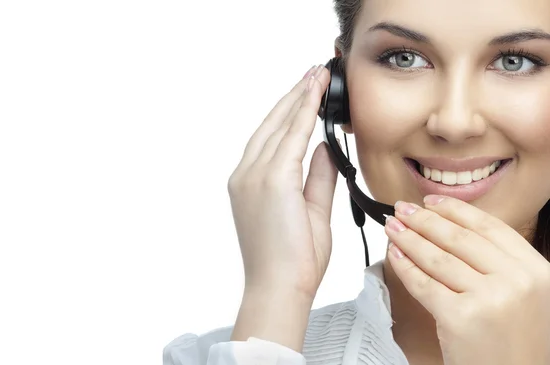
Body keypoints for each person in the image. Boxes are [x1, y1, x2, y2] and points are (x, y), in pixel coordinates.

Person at [163, 0, 550, 363]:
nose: (454, 122)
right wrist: (276, 299)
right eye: (405, 58)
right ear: (339, 91)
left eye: (515, 62)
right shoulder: (233, 352)